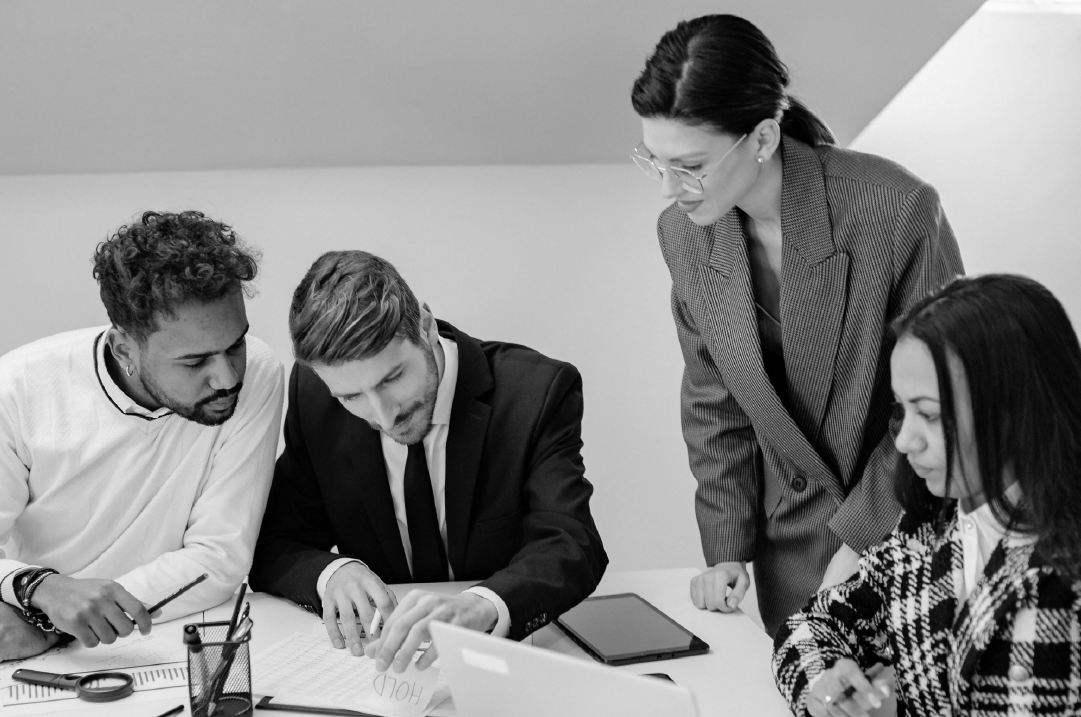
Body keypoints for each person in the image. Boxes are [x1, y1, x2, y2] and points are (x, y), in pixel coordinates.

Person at [630, 14, 964, 635]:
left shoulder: (896, 208)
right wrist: (725, 547)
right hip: (785, 557)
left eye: (691, 166)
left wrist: (861, 540)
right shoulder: (683, 234)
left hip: (904, 530)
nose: (670, 189)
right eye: (655, 163)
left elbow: (938, 399)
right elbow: (714, 402)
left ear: (760, 137)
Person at [249, 250, 607, 672]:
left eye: (392, 378)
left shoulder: (536, 391)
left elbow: (571, 542)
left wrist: (484, 605)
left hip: (506, 663)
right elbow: (275, 542)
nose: (383, 416)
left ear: (425, 325)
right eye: (351, 397)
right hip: (380, 671)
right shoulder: (314, 396)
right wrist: (333, 573)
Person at [773, 274, 1081, 717]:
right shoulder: (928, 527)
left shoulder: (1062, 570)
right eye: (902, 410)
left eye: (930, 415)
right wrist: (825, 687)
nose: (903, 442)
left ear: (1015, 411)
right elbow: (812, 624)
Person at [0, 211, 283, 659]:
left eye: (236, 345)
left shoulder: (261, 373)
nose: (227, 378)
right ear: (124, 349)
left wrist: (58, 625)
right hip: (25, 648)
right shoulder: (16, 388)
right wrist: (40, 592)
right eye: (194, 362)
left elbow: (219, 558)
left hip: (175, 639)